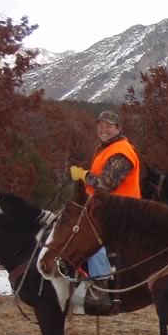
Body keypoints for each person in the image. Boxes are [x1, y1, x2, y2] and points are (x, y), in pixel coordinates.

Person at [70, 110, 142, 310]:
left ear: (118, 128)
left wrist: (84, 175)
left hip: (122, 212)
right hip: (106, 209)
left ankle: (100, 289)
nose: (103, 129)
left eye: (108, 126)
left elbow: (105, 184)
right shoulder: (106, 148)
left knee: (92, 241)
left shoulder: (122, 152)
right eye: (100, 126)